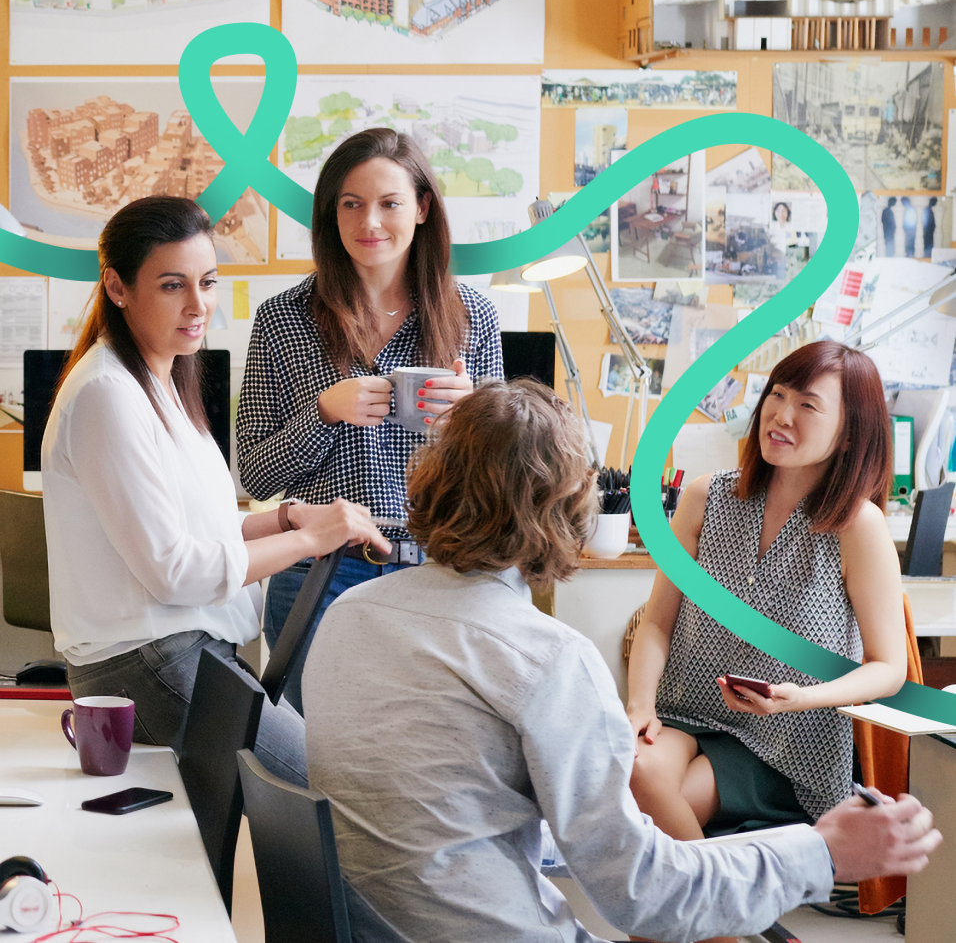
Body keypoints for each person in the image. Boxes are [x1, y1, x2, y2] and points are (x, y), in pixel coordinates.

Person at [302, 379, 938, 943]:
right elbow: (641, 892)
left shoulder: (348, 614)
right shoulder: (548, 659)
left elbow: (448, 804)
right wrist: (823, 854)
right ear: (566, 510)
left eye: (809, 405)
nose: (785, 416)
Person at [41, 196, 389, 786]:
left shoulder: (164, 379)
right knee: (327, 788)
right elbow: (176, 571)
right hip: (145, 666)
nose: (199, 306)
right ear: (118, 287)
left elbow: (198, 528)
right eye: (173, 286)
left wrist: (285, 518)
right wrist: (310, 539)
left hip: (179, 655)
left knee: (323, 782)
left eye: (208, 282)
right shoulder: (107, 394)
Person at [626, 340, 907, 943]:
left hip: (785, 742)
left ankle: (721, 929)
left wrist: (799, 697)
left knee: (649, 843)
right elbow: (656, 624)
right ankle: (738, 929)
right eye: (776, 396)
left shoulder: (858, 525)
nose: (781, 416)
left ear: (851, 433)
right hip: (686, 714)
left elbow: (889, 668)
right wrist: (639, 707)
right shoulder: (706, 497)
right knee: (638, 770)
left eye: (809, 405)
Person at [236, 128, 503, 713]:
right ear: (330, 214)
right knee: (308, 755)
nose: (370, 222)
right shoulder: (283, 319)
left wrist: (473, 422)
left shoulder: (472, 317)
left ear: (424, 208)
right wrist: (324, 413)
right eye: (351, 204)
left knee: (425, 762)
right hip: (317, 572)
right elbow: (253, 476)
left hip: (442, 573)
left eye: (390, 203)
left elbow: (502, 482)